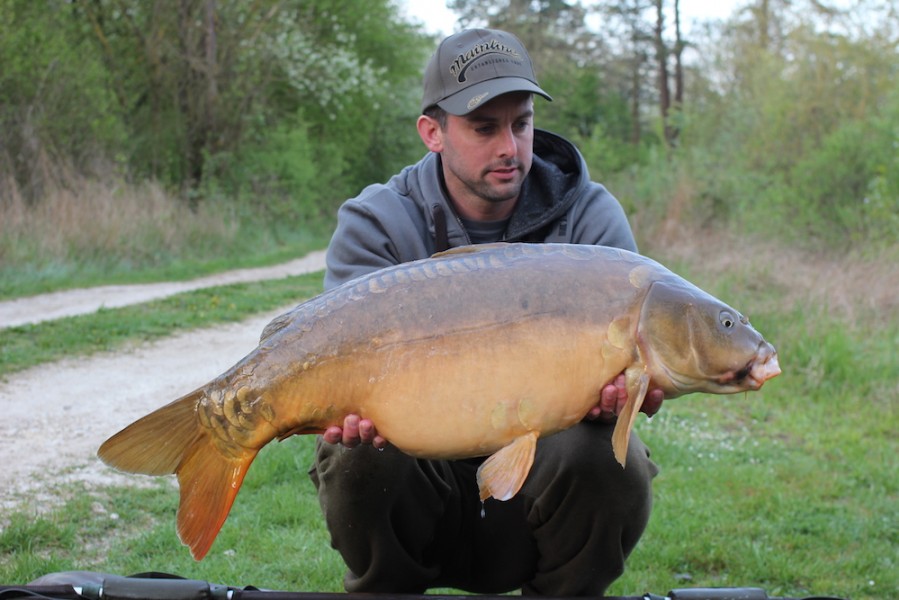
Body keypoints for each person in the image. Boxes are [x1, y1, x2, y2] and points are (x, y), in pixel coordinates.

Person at [308, 28, 664, 596]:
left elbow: (641, 365)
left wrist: (628, 392)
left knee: (604, 456)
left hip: (538, 487)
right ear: (433, 132)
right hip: (417, 480)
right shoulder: (377, 222)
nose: (510, 146)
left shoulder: (591, 225)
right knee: (358, 456)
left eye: (521, 123)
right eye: (483, 127)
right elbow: (336, 361)